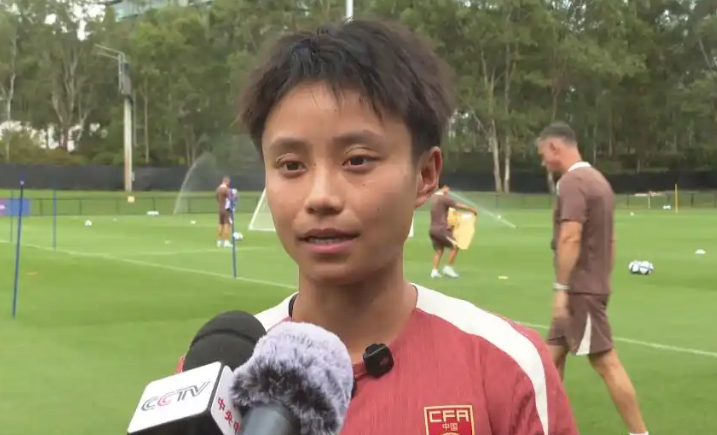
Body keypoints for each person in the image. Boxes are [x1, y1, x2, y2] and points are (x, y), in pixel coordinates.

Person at [179, 19, 578, 434]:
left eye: (357, 160)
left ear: (425, 174)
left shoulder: (506, 366)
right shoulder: (218, 377)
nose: (321, 196)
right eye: (291, 165)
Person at [537, 121, 649, 435]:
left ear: (555, 147)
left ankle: (640, 433)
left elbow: (570, 236)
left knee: (605, 363)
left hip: (579, 291)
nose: (543, 162)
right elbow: (611, 242)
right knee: (548, 362)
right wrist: (601, 280)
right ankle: (548, 428)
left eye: (543, 154)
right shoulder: (600, 181)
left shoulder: (573, 183)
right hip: (590, 286)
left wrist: (562, 288)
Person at [429, 184, 476, 278]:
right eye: (448, 188)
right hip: (441, 228)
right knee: (455, 246)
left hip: (432, 229)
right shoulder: (443, 198)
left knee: (439, 250)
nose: (448, 190)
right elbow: (457, 205)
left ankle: (434, 271)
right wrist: (471, 209)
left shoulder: (433, 197)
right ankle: (448, 268)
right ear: (444, 187)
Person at [215, 177, 232, 248]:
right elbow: (231, 198)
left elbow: (216, 197)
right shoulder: (226, 189)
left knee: (220, 224)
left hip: (220, 208)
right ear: (226, 182)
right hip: (226, 209)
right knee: (226, 225)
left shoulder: (218, 189)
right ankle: (226, 241)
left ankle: (219, 241)